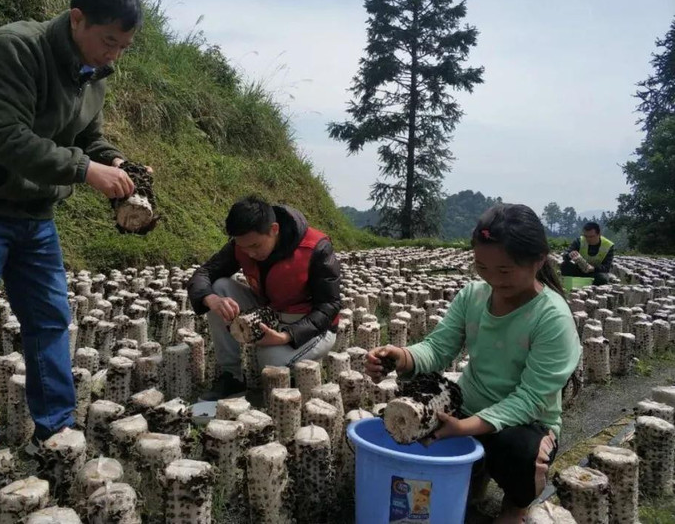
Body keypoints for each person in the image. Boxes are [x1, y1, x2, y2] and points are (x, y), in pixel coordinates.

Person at [0, 0, 144, 450]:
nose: (113, 55)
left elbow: (89, 136)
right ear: (77, 19)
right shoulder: (12, 50)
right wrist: (87, 170)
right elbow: (6, 138)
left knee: (49, 319)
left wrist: (113, 161)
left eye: (123, 47)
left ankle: (56, 428)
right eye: (109, 41)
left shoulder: (94, 73)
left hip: (35, 212)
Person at [365, 204, 581, 524]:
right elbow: (438, 348)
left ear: (538, 261)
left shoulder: (552, 316)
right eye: (482, 267)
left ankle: (516, 503)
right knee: (408, 413)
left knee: (519, 451)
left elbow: (531, 399)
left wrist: (464, 428)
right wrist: (403, 357)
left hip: (525, 422)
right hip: (466, 405)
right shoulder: (473, 296)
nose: (493, 279)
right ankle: (475, 471)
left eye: (504, 271)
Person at [187, 195, 341, 401]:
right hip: (270, 311)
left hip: (311, 326)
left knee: (270, 361)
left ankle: (294, 364)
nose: (250, 253)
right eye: (244, 247)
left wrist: (287, 336)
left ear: (274, 229)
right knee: (218, 287)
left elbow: (329, 306)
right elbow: (203, 273)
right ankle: (231, 376)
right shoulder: (241, 245)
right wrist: (210, 298)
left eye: (256, 246)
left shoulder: (316, 248)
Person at [560, 222, 614, 286]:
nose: (588, 239)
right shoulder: (579, 241)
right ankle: (570, 285)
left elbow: (606, 267)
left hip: (594, 273)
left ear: (599, 234)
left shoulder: (608, 245)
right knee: (565, 265)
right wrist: (569, 255)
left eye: (591, 237)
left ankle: (591, 288)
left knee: (602, 278)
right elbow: (565, 255)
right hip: (579, 270)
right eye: (586, 236)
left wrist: (593, 268)